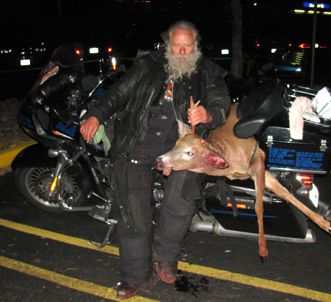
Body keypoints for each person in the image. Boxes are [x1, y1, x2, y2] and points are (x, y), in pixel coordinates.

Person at [80, 20, 231, 299]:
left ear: (196, 47)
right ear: (168, 45)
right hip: (138, 142)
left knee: (181, 203)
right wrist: (96, 114)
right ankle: (137, 277)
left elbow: (222, 102)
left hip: (181, 147)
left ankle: (165, 256)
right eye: (177, 46)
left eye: (188, 46)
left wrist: (209, 114)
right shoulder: (147, 64)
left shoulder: (207, 70)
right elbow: (119, 92)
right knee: (133, 215)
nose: (183, 52)